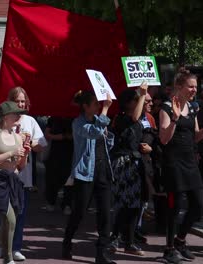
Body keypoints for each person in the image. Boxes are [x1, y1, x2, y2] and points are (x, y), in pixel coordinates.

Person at [159, 68, 203, 263]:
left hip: (190, 161)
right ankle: (169, 248)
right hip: (173, 163)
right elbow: (163, 139)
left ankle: (180, 240)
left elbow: (196, 136)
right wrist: (175, 119)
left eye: (196, 87)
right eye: (191, 86)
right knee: (175, 206)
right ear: (179, 87)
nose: (194, 90)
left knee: (198, 204)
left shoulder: (194, 107)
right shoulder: (166, 108)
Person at [0, 87, 48, 261]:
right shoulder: (3, 120)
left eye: (23, 101)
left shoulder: (30, 121)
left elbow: (41, 145)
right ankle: (0, 246)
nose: (21, 104)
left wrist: (29, 143)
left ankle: (15, 247)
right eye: (17, 101)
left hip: (23, 174)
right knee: (4, 212)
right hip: (4, 172)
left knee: (20, 212)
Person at [62, 90, 114, 264]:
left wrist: (109, 137)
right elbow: (93, 132)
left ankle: (102, 252)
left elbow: (106, 142)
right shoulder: (78, 123)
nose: (99, 106)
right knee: (79, 211)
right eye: (95, 104)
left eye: (100, 104)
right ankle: (67, 242)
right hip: (85, 174)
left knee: (105, 213)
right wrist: (106, 110)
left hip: (103, 172)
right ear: (85, 106)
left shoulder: (100, 122)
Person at [0, 101, 30, 264]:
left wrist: (25, 154)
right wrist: (11, 152)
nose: (19, 116)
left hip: (13, 180)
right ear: (6, 116)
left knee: (8, 220)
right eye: (16, 113)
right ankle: (8, 258)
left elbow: (20, 166)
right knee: (10, 219)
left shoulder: (18, 136)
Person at [109, 84, 147, 256]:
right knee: (123, 203)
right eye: (134, 99)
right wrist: (142, 93)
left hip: (135, 162)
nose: (139, 101)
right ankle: (114, 237)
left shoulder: (140, 119)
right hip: (123, 163)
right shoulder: (121, 118)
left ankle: (129, 240)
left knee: (135, 205)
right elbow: (134, 117)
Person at [44, 116, 73, 214]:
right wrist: (63, 136)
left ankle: (67, 204)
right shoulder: (53, 118)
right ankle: (51, 201)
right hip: (55, 153)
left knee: (69, 179)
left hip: (71, 153)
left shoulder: (76, 118)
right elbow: (47, 134)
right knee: (53, 178)